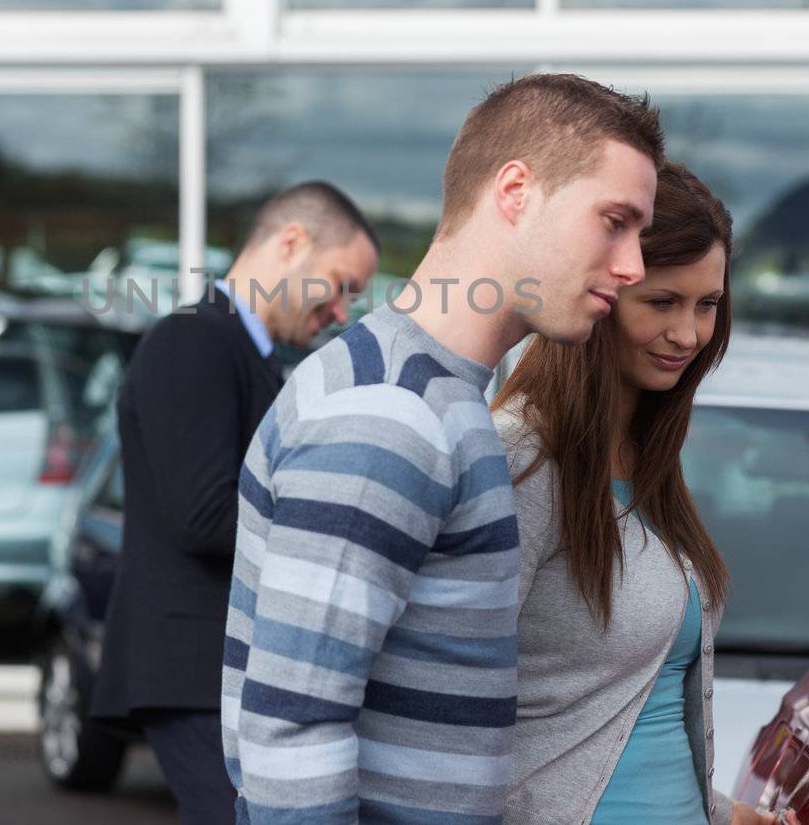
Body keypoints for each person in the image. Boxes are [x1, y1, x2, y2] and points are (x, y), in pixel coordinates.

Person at [223, 73, 664, 824]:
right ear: (516, 190)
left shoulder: (438, 396)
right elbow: (293, 727)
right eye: (613, 220)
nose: (634, 267)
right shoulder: (390, 411)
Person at [491, 162, 776, 825]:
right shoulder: (519, 461)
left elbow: (626, 710)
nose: (689, 335)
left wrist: (720, 810)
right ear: (600, 290)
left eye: (707, 305)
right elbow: (443, 705)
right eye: (663, 302)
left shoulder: (651, 460)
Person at [92, 181, 379, 825]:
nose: (340, 313)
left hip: (216, 668)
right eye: (339, 285)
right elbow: (204, 517)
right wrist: (341, 532)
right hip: (192, 669)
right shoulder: (191, 340)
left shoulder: (247, 353)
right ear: (290, 243)